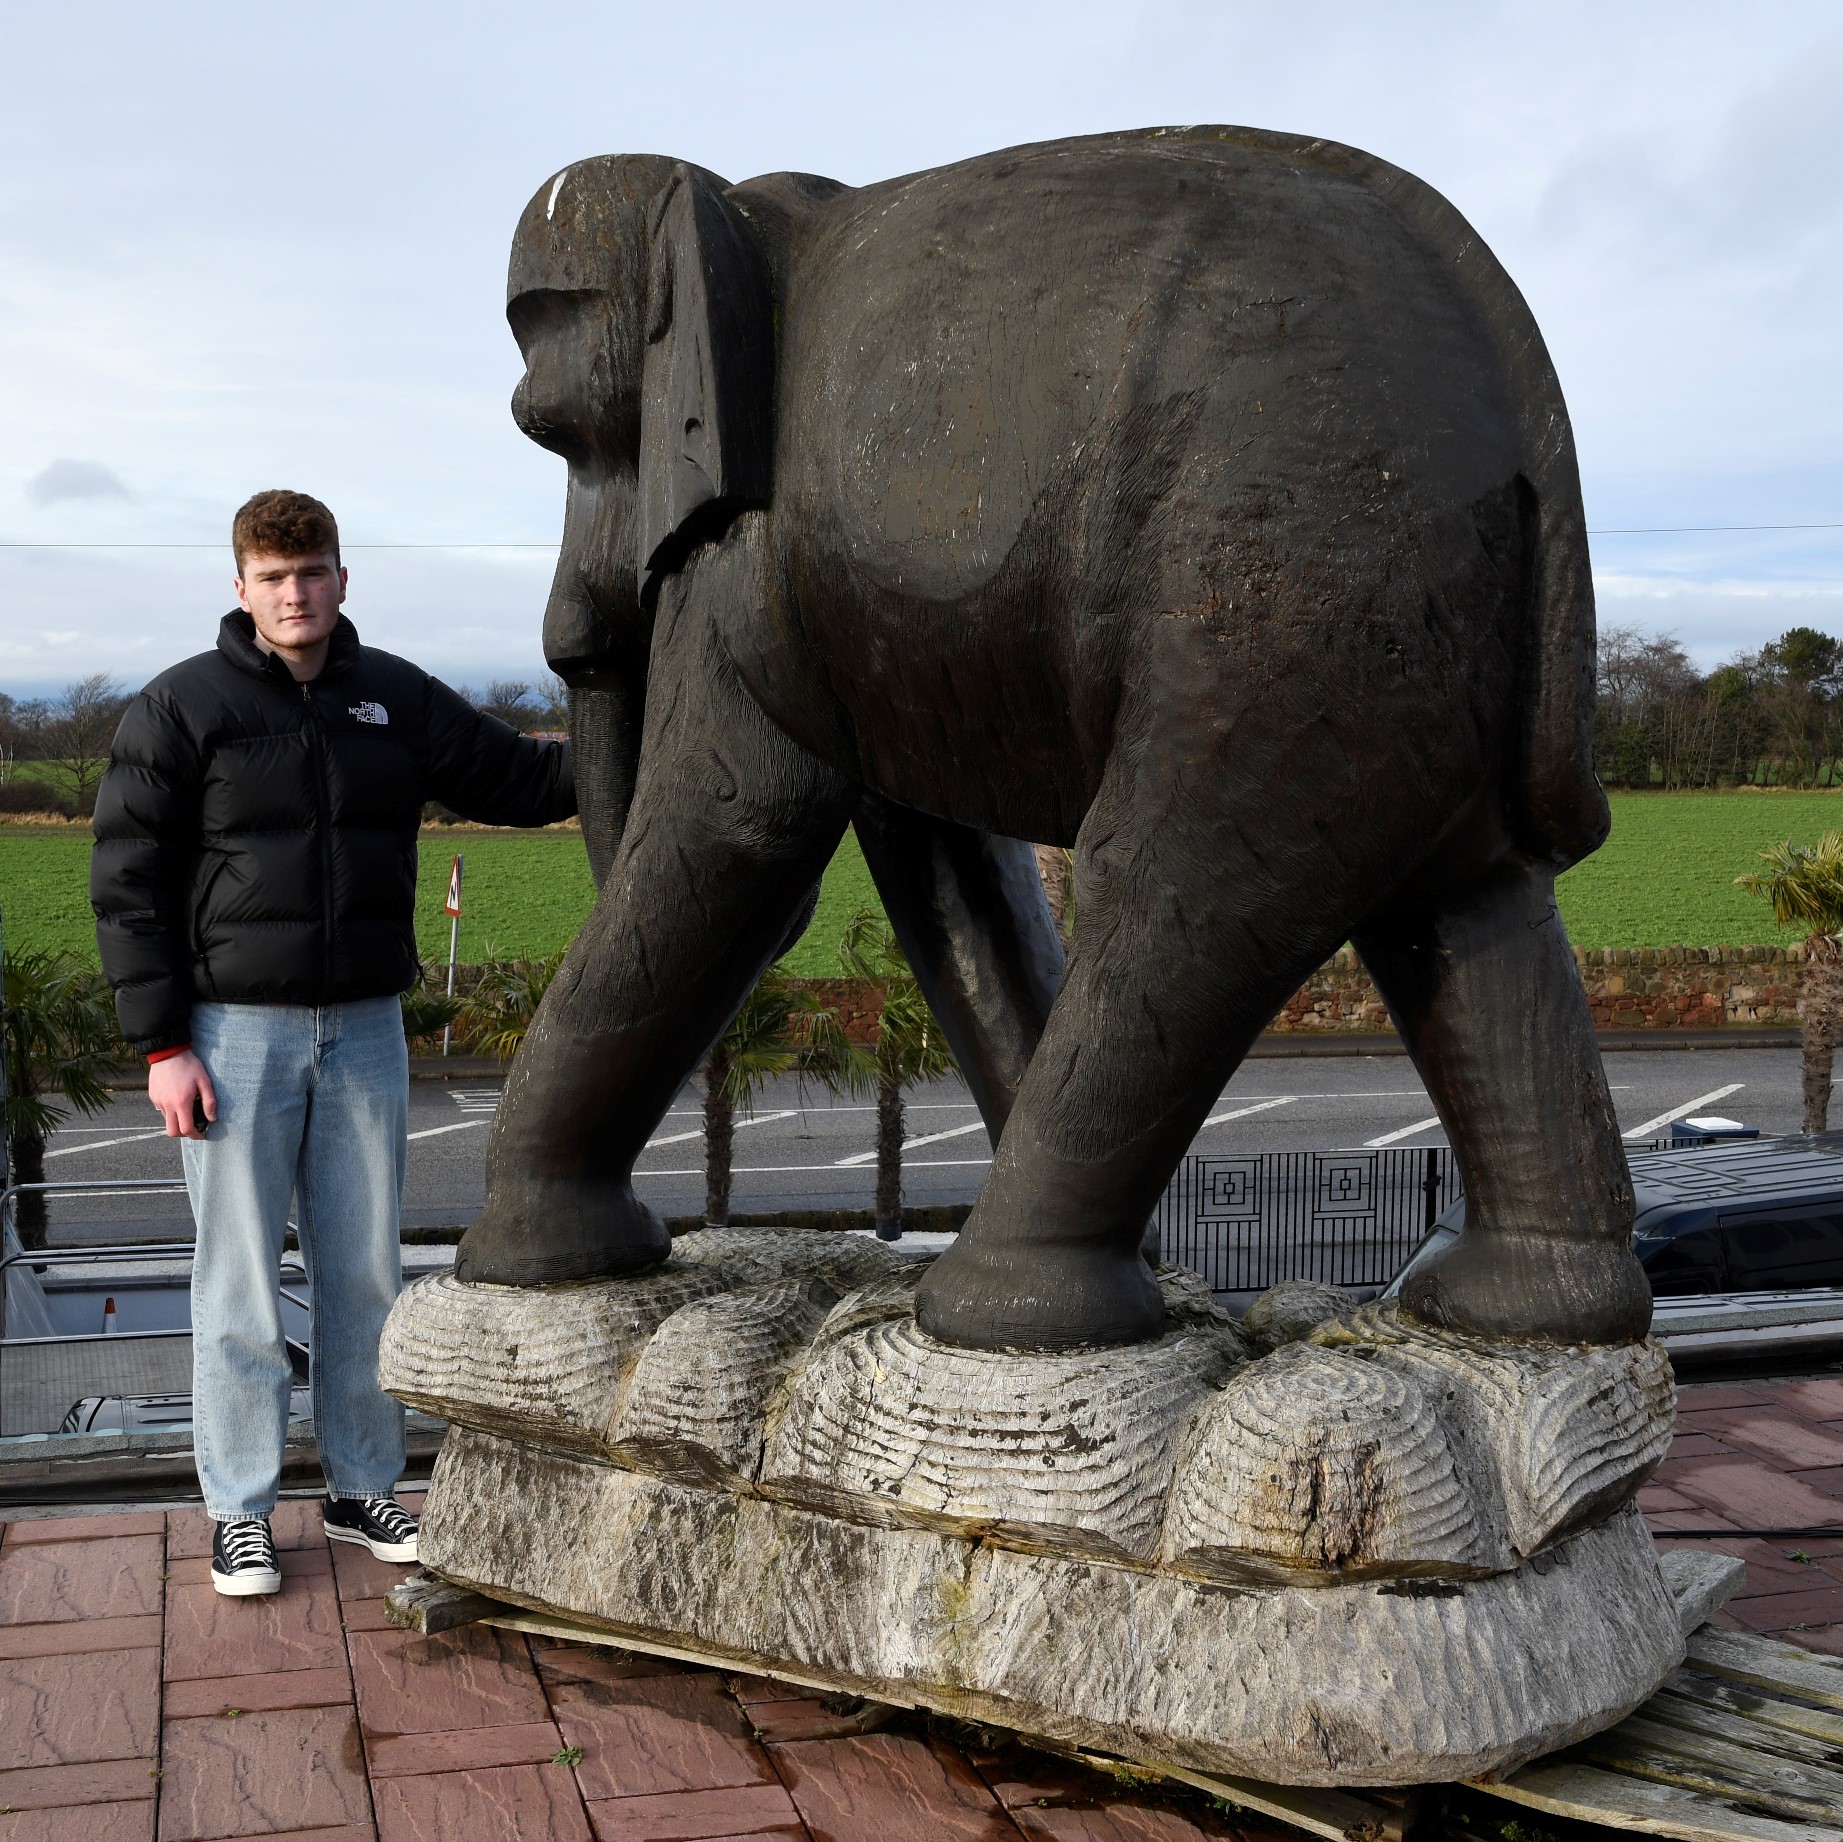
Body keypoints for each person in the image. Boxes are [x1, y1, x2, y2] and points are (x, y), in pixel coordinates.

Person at [91, 489, 576, 1596]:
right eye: (272, 577)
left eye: (312, 573)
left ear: (343, 579)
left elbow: (518, 778)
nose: (294, 594)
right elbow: (125, 886)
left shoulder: (393, 697)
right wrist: (162, 1043)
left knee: (365, 1278)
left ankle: (364, 1488)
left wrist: (635, 726)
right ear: (241, 588)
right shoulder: (181, 708)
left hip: (364, 1030)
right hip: (233, 1036)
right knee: (242, 1285)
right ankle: (241, 1511)